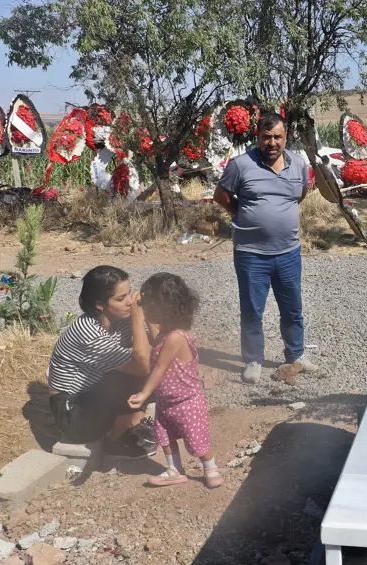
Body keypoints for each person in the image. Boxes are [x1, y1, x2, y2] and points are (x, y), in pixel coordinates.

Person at [213, 111, 318, 384]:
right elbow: (221, 195)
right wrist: (242, 214)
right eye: (266, 137)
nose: (272, 142)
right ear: (257, 137)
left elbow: (301, 193)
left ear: (286, 138)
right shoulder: (241, 165)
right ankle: (253, 360)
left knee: (292, 308)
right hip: (251, 254)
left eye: (277, 137)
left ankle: (295, 355)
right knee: (252, 311)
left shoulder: (297, 165)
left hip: (288, 252)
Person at [47, 266, 156, 459]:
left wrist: (146, 313)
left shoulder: (116, 319)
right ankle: (115, 442)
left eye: (129, 293)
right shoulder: (88, 334)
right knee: (130, 379)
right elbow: (142, 367)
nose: (130, 302)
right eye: (120, 299)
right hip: (74, 415)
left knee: (158, 372)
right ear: (100, 305)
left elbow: (156, 346)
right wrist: (138, 319)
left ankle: (129, 423)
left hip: (90, 396)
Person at [127, 273, 222, 489]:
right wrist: (139, 310)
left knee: (197, 439)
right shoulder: (165, 333)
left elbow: (160, 367)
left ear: (162, 308)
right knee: (165, 438)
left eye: (148, 305)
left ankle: (210, 467)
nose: (146, 309)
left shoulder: (176, 338)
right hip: (166, 401)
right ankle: (174, 469)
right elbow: (153, 332)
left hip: (186, 402)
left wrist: (143, 394)